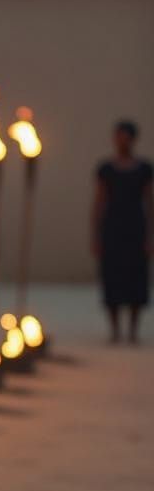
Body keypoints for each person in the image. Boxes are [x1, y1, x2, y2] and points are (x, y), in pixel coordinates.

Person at [92, 119, 152, 343]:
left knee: (136, 280)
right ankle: (115, 330)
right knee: (113, 279)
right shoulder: (106, 169)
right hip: (113, 229)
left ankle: (133, 331)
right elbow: (99, 202)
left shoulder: (144, 169)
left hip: (135, 228)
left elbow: (149, 201)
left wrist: (150, 236)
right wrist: (96, 235)